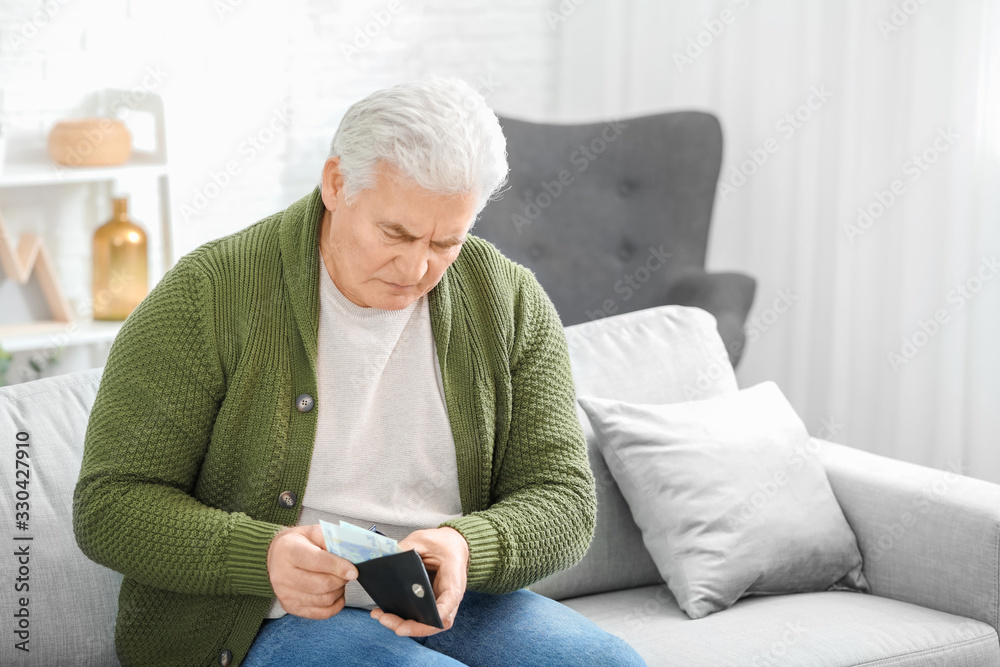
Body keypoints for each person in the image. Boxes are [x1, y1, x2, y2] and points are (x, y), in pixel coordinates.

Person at [73, 77, 647, 666]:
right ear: (336, 183)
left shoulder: (511, 301)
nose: (417, 266)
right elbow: (109, 505)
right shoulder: (208, 295)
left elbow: (564, 499)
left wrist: (465, 546)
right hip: (260, 617)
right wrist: (262, 555)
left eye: (446, 241)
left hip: (447, 604)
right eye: (394, 233)